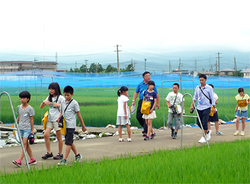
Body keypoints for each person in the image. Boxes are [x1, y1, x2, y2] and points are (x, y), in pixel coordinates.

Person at [57, 85, 87, 166]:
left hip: (71, 125)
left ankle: (64, 160)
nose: (66, 97)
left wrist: (83, 126)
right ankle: (77, 155)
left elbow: (79, 115)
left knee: (68, 143)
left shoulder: (75, 103)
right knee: (69, 141)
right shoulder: (63, 102)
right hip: (64, 125)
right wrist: (59, 118)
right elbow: (62, 112)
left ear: (72, 94)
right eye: (65, 95)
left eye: (68, 95)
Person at [40, 82, 65, 160]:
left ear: (56, 89)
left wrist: (54, 104)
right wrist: (44, 102)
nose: (51, 90)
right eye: (50, 89)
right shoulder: (49, 97)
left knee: (58, 137)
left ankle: (60, 153)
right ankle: (49, 152)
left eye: (52, 89)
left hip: (57, 119)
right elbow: (41, 107)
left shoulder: (61, 98)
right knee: (45, 135)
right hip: (50, 119)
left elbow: (64, 107)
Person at [12, 91, 36, 167]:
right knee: (26, 144)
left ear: (28, 99)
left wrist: (32, 130)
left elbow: (31, 119)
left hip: (27, 128)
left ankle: (19, 160)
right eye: (21, 98)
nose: (22, 100)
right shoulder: (19, 107)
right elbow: (19, 116)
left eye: (24, 98)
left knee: (24, 143)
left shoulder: (30, 108)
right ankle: (32, 159)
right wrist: (16, 123)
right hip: (21, 128)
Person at [132, 71, 159, 137]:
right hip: (142, 101)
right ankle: (149, 130)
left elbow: (157, 94)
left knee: (147, 118)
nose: (148, 77)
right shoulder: (140, 84)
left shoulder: (152, 85)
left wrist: (157, 103)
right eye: (147, 76)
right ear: (143, 77)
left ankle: (146, 131)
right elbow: (136, 92)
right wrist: (133, 100)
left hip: (150, 102)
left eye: (149, 75)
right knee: (139, 116)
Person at [190, 74, 216, 143]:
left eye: (202, 80)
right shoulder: (198, 88)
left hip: (207, 107)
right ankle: (207, 131)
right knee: (199, 123)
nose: (201, 81)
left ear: (205, 80)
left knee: (204, 122)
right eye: (200, 80)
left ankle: (203, 137)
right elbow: (195, 97)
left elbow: (212, 98)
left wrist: (213, 107)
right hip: (199, 107)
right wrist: (192, 105)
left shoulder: (209, 88)